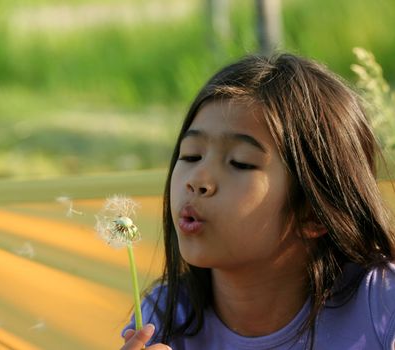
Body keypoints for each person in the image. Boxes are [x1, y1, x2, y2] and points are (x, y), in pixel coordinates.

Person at [120, 53, 395, 350]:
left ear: (314, 212)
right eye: (190, 156)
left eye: (240, 163)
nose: (197, 179)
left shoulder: (382, 303)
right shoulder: (161, 320)